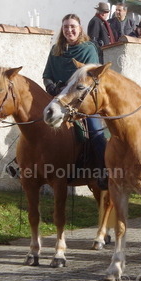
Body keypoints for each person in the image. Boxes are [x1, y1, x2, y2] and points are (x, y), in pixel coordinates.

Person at [42, 14, 108, 188]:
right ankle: (23, 165)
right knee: (35, 122)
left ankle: (103, 171)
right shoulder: (56, 49)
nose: (69, 30)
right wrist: (51, 88)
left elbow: (89, 78)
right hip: (58, 97)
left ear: (80, 28)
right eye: (65, 27)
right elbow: (47, 75)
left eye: (72, 26)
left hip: (80, 100)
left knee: (96, 133)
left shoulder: (88, 49)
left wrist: (69, 89)